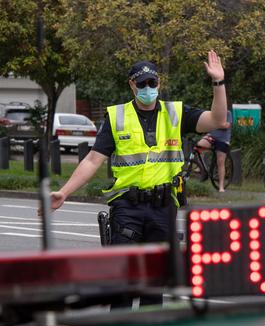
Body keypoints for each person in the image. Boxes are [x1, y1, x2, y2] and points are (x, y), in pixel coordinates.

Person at [47, 50, 229, 246]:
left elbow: (218, 120)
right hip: (127, 207)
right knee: (125, 269)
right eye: (141, 83)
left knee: (161, 273)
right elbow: (92, 160)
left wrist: (218, 82)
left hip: (164, 206)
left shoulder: (176, 113)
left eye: (152, 83)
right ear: (132, 85)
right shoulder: (117, 117)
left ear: (159, 83)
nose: (147, 87)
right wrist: (64, 193)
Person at [195, 112, 232, 192]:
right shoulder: (214, 112)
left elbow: (227, 125)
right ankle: (201, 167)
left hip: (223, 139)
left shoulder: (228, 113)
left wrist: (216, 124)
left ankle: (221, 186)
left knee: (220, 162)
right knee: (198, 146)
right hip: (211, 136)